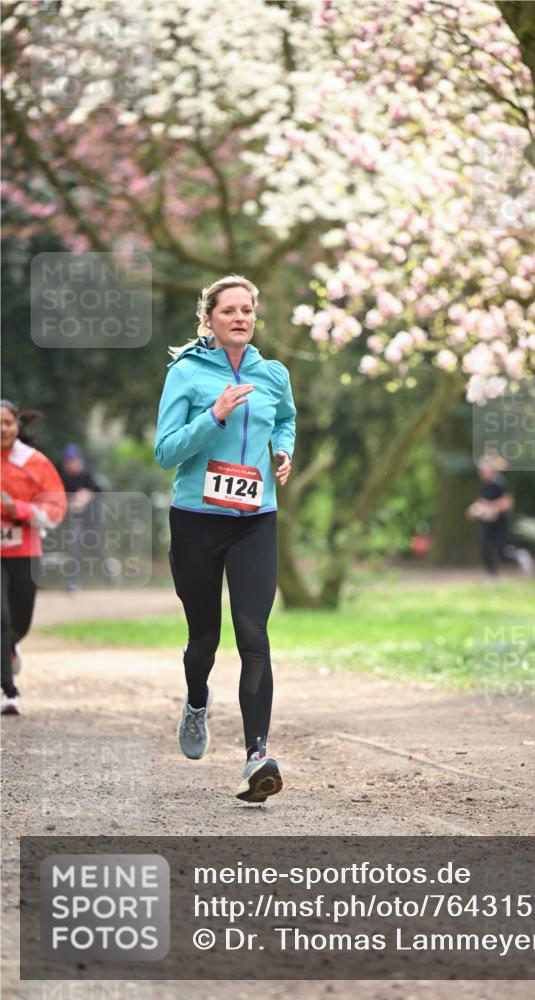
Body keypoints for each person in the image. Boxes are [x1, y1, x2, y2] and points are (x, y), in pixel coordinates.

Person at [155, 274, 296, 804]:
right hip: (196, 518)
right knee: (204, 641)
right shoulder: (186, 374)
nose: (240, 318)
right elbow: (166, 451)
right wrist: (214, 416)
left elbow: (285, 420)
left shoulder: (273, 373)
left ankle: (257, 756)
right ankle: (196, 701)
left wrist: (283, 451)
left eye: (247, 310)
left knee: (253, 633)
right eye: (228, 310)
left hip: (255, 518)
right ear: (209, 318)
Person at [1, 401, 67, 714]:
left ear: (17, 425)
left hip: (24, 550)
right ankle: (9, 691)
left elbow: (56, 510)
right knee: (0, 618)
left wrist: (21, 511)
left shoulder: (34, 462)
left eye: (7, 423)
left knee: (19, 621)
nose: (2, 429)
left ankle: (12, 644)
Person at [466, 454, 534, 578]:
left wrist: (492, 508)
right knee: (483, 547)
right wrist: (474, 509)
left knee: (504, 550)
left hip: (500, 522)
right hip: (487, 521)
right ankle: (492, 575)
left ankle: (520, 556)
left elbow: (507, 502)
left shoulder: (500, 482)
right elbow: (482, 501)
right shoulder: (483, 484)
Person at [57, 443, 102, 592]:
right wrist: (71, 502)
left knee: (96, 547)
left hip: (92, 518)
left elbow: (100, 491)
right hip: (75, 519)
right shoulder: (64, 478)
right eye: (67, 462)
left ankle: (110, 570)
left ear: (79, 461)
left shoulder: (88, 474)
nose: (70, 465)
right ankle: (72, 582)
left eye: (73, 461)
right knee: (73, 546)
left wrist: (87, 495)